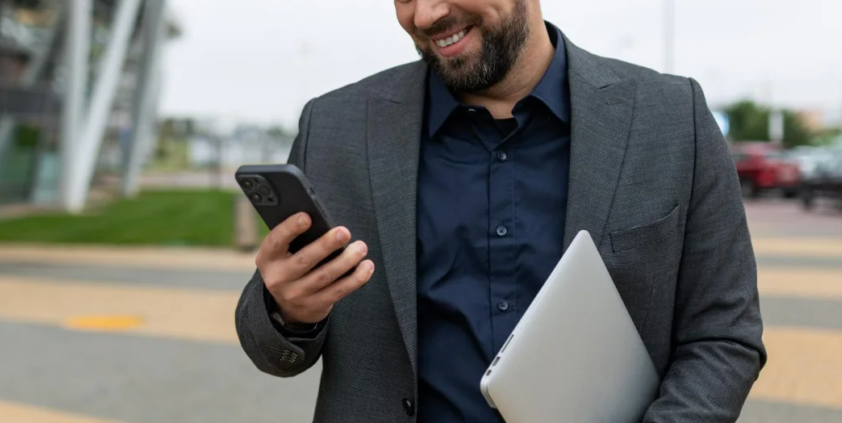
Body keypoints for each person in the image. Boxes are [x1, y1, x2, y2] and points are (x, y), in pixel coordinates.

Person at [234, 0, 766, 421]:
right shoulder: (334, 128)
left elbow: (723, 336)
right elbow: (272, 347)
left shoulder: (672, 119)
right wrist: (288, 311)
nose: (424, 14)